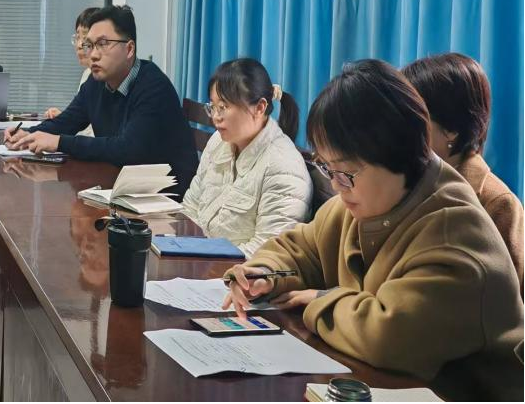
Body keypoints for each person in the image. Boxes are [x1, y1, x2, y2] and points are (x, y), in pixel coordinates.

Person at [221, 59, 524, 401]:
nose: (336, 185)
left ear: (397, 153)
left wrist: (320, 300)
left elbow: (390, 337)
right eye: (327, 168)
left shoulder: (455, 235)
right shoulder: (364, 201)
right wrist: (264, 274)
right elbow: (301, 248)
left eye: (345, 172)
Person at [5, 5, 199, 195]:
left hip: (164, 197)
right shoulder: (96, 82)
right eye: (89, 45)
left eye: (103, 44)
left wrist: (59, 142)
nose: (93, 55)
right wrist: (27, 134)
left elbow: (127, 149)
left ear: (129, 49)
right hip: (120, 185)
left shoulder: (153, 86)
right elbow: (67, 121)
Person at [403, 53, 523, 293]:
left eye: (413, 119)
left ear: (451, 130)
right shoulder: (407, 182)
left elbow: (513, 298)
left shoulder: (497, 203)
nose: (401, 130)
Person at [181, 58, 311, 256]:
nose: (215, 117)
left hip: (233, 270)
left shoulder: (284, 167)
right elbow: (190, 207)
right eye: (212, 107)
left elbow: (266, 253)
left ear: (259, 107)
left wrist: (200, 260)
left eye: (223, 107)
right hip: (197, 259)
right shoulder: (218, 141)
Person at [43, 7, 100, 138]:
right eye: (77, 37)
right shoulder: (87, 74)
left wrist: (64, 135)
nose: (79, 45)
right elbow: (84, 122)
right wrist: (64, 119)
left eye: (85, 38)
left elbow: (96, 134)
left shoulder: (103, 76)